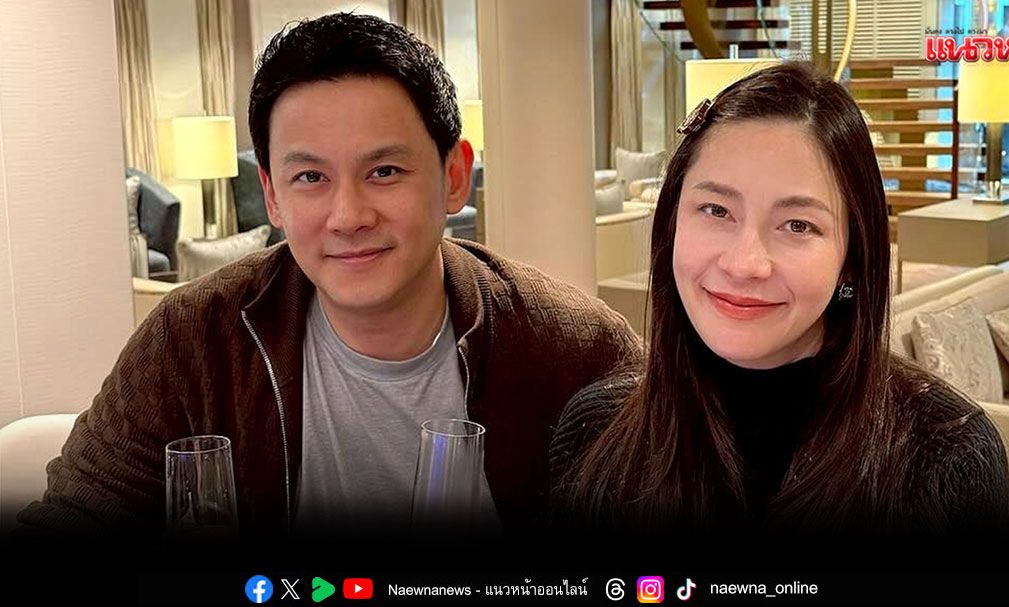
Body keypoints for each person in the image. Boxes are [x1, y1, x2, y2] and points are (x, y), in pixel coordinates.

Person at [17, 12, 641, 538]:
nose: (348, 217)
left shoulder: (574, 350)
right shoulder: (194, 340)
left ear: (454, 176)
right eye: (310, 177)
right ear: (273, 196)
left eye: (385, 172)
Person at [549, 62, 1009, 537]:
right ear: (672, 225)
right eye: (716, 210)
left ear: (851, 259)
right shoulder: (597, 428)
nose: (745, 263)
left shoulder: (943, 454)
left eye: (798, 225)